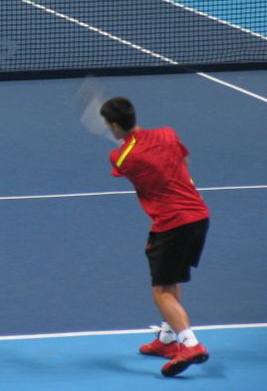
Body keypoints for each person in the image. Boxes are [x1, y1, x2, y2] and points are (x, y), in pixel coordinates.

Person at [100, 97, 210, 378]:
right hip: (199, 216)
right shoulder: (168, 133)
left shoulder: (121, 157)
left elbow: (128, 157)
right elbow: (181, 158)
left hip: (172, 224)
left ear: (114, 125)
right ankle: (167, 341)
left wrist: (124, 141)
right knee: (171, 280)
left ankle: (190, 344)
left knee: (160, 291)